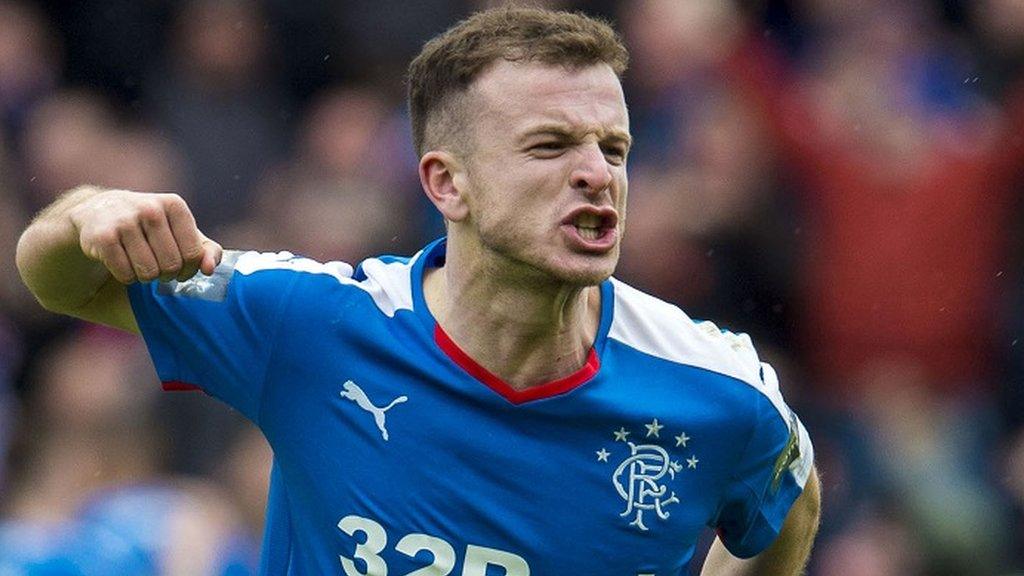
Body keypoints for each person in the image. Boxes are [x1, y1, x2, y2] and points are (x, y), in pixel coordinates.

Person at [16, 7, 819, 575]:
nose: (597, 174)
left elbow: (793, 497)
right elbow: (56, 281)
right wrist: (89, 212)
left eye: (614, 147)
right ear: (447, 183)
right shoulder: (312, 323)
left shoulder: (713, 390)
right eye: (550, 144)